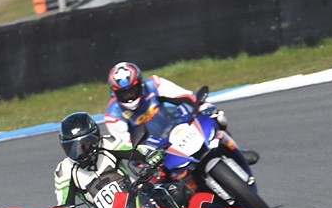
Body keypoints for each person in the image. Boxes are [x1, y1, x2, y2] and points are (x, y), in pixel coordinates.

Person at [103, 61, 260, 197]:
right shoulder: (112, 114)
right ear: (114, 92)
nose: (129, 95)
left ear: (140, 84)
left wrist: (201, 105)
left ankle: (235, 150)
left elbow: (184, 95)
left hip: (175, 124)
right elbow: (126, 144)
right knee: (155, 186)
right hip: (152, 145)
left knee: (217, 117)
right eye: (124, 93)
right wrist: (145, 156)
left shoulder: (154, 84)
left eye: (132, 89)